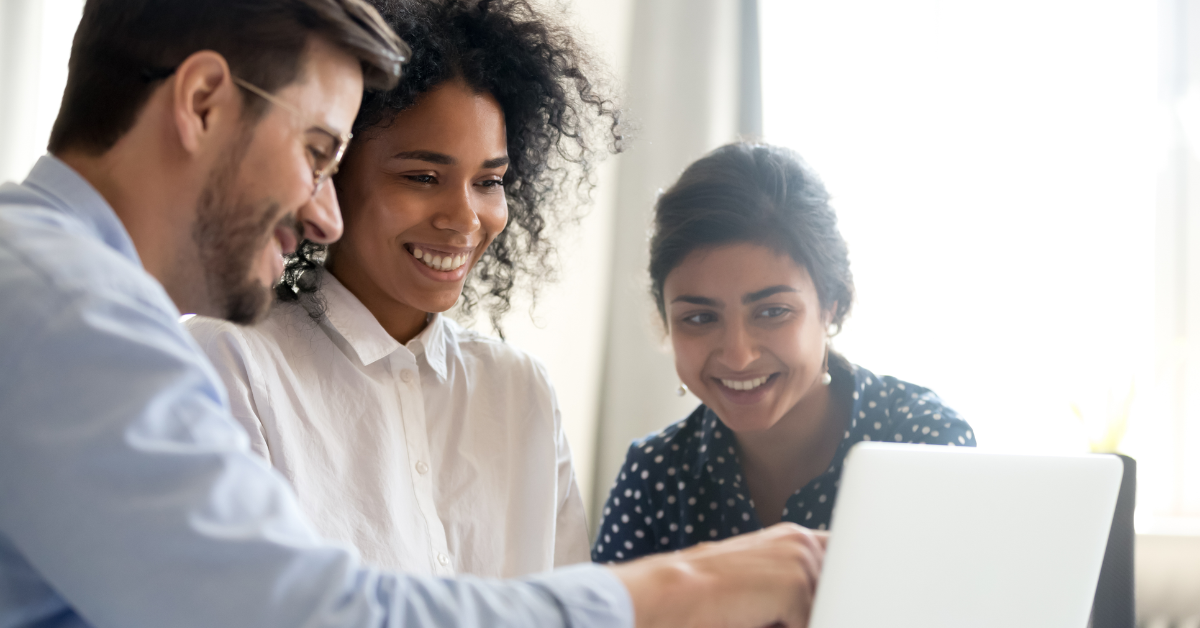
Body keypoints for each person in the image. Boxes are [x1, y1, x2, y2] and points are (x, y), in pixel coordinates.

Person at [0, 1, 827, 627]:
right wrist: (687, 585)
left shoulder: (50, 283)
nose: (322, 218)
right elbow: (306, 615)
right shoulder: (69, 308)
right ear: (205, 100)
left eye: (488, 179)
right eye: (319, 152)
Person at [185, 0, 617, 578]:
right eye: (422, 177)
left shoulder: (521, 393)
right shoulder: (228, 360)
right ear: (328, 176)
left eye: (489, 181)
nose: (465, 217)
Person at [593, 142, 976, 563]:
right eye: (700, 319)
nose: (738, 356)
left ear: (831, 304)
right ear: (665, 322)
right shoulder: (653, 476)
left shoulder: (924, 444)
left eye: (773, 312)